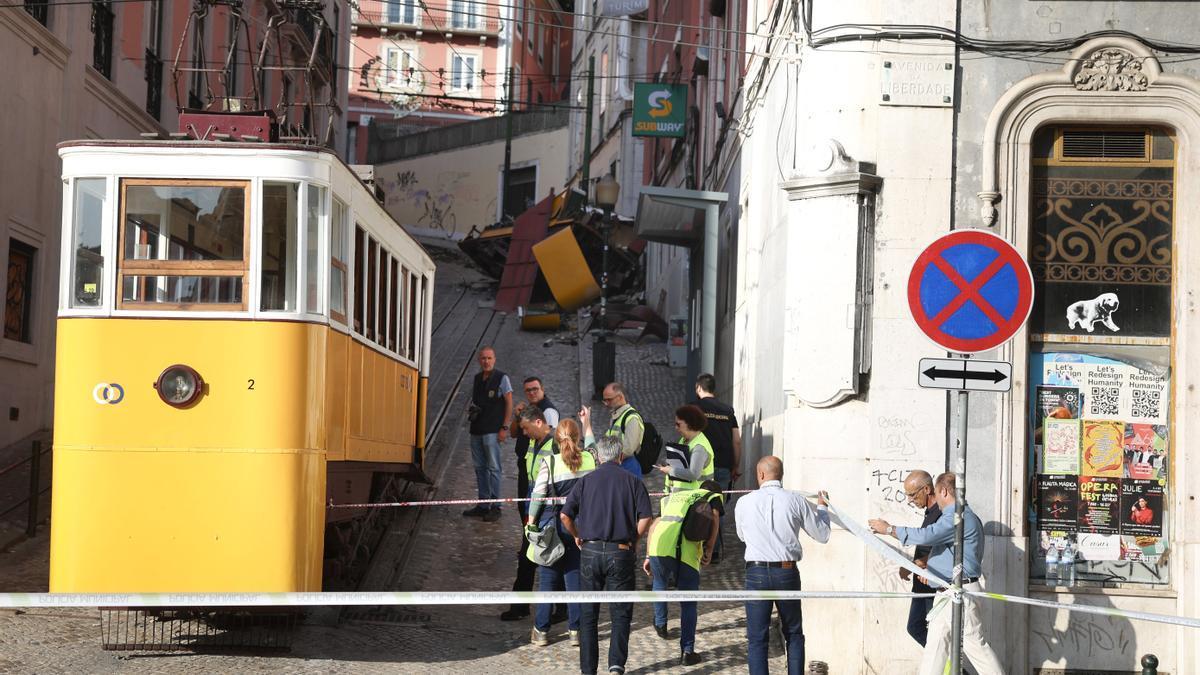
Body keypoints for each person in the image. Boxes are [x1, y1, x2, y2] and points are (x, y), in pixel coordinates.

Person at [868, 472, 1004, 675]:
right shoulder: (959, 517)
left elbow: (927, 536)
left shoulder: (958, 517)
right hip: (946, 592)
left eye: (938, 495)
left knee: (976, 647)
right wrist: (929, 569)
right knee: (935, 647)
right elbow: (944, 553)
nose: (937, 502)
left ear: (944, 491)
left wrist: (889, 529)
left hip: (959, 590)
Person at [561, 436, 653, 675]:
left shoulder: (585, 481)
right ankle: (615, 666)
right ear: (620, 456)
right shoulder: (633, 481)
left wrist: (577, 535)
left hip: (589, 552)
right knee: (621, 613)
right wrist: (634, 539)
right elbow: (646, 518)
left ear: (598, 457)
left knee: (588, 614)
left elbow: (565, 516)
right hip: (620, 552)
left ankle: (588, 669)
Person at [735, 456, 830, 675]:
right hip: (786, 571)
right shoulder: (796, 501)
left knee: (757, 638)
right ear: (782, 475)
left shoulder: (744, 502)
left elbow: (742, 536)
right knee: (793, 633)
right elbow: (822, 535)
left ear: (760, 475)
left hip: (756, 572)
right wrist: (822, 508)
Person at [527, 419, 596, 646]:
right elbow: (594, 447)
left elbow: (537, 497)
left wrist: (530, 523)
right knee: (574, 578)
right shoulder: (589, 459)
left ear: (557, 440)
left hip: (554, 526)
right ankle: (575, 631)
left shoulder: (550, 463)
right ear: (577, 439)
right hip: (580, 526)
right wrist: (587, 423)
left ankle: (542, 630)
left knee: (548, 579)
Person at [643, 479, 724, 666]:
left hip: (659, 548)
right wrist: (710, 549)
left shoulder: (672, 497)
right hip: (687, 553)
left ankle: (661, 624)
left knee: (660, 584)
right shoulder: (712, 496)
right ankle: (687, 651)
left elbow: (654, 526)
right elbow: (715, 517)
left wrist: (648, 555)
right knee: (688, 603)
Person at [501, 376, 560, 621]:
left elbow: (551, 484)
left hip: (546, 511)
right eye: (528, 390)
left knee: (538, 558)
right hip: (533, 505)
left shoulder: (551, 438)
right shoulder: (532, 443)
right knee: (536, 556)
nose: (524, 433)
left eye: (526, 428)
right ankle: (547, 607)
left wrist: (532, 516)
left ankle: (530, 609)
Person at [693, 373, 741, 563]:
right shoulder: (727, 410)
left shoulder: (694, 408)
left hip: (701, 466)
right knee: (717, 508)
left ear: (698, 388)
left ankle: (697, 547)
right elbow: (736, 441)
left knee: (697, 505)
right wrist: (735, 466)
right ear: (714, 388)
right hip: (722, 465)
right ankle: (713, 551)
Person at [463, 346, 512, 523]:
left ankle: (496, 506)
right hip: (476, 430)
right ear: (479, 360)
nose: (486, 361)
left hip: (492, 431)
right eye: (483, 358)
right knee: (480, 468)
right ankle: (483, 504)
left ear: (495, 359)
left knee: (494, 468)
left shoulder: (501, 378)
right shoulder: (477, 378)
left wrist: (504, 427)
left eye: (489, 358)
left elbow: (509, 402)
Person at [898, 470, 941, 646]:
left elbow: (944, 548)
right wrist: (913, 565)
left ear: (926, 489)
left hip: (933, 583)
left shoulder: (941, 513)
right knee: (915, 627)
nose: (910, 500)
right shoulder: (930, 513)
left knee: (936, 635)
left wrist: (920, 563)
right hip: (921, 584)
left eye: (912, 495)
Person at [582, 382, 644, 478]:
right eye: (604, 400)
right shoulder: (617, 416)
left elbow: (629, 449)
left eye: (609, 400)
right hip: (618, 467)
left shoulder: (632, 419)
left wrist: (607, 460)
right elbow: (605, 442)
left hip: (627, 468)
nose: (606, 404)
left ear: (620, 397)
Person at [657, 405, 715, 493]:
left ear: (689, 423)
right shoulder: (684, 440)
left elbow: (693, 473)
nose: (676, 428)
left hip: (696, 500)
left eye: (678, 424)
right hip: (684, 498)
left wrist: (670, 470)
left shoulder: (699, 447)